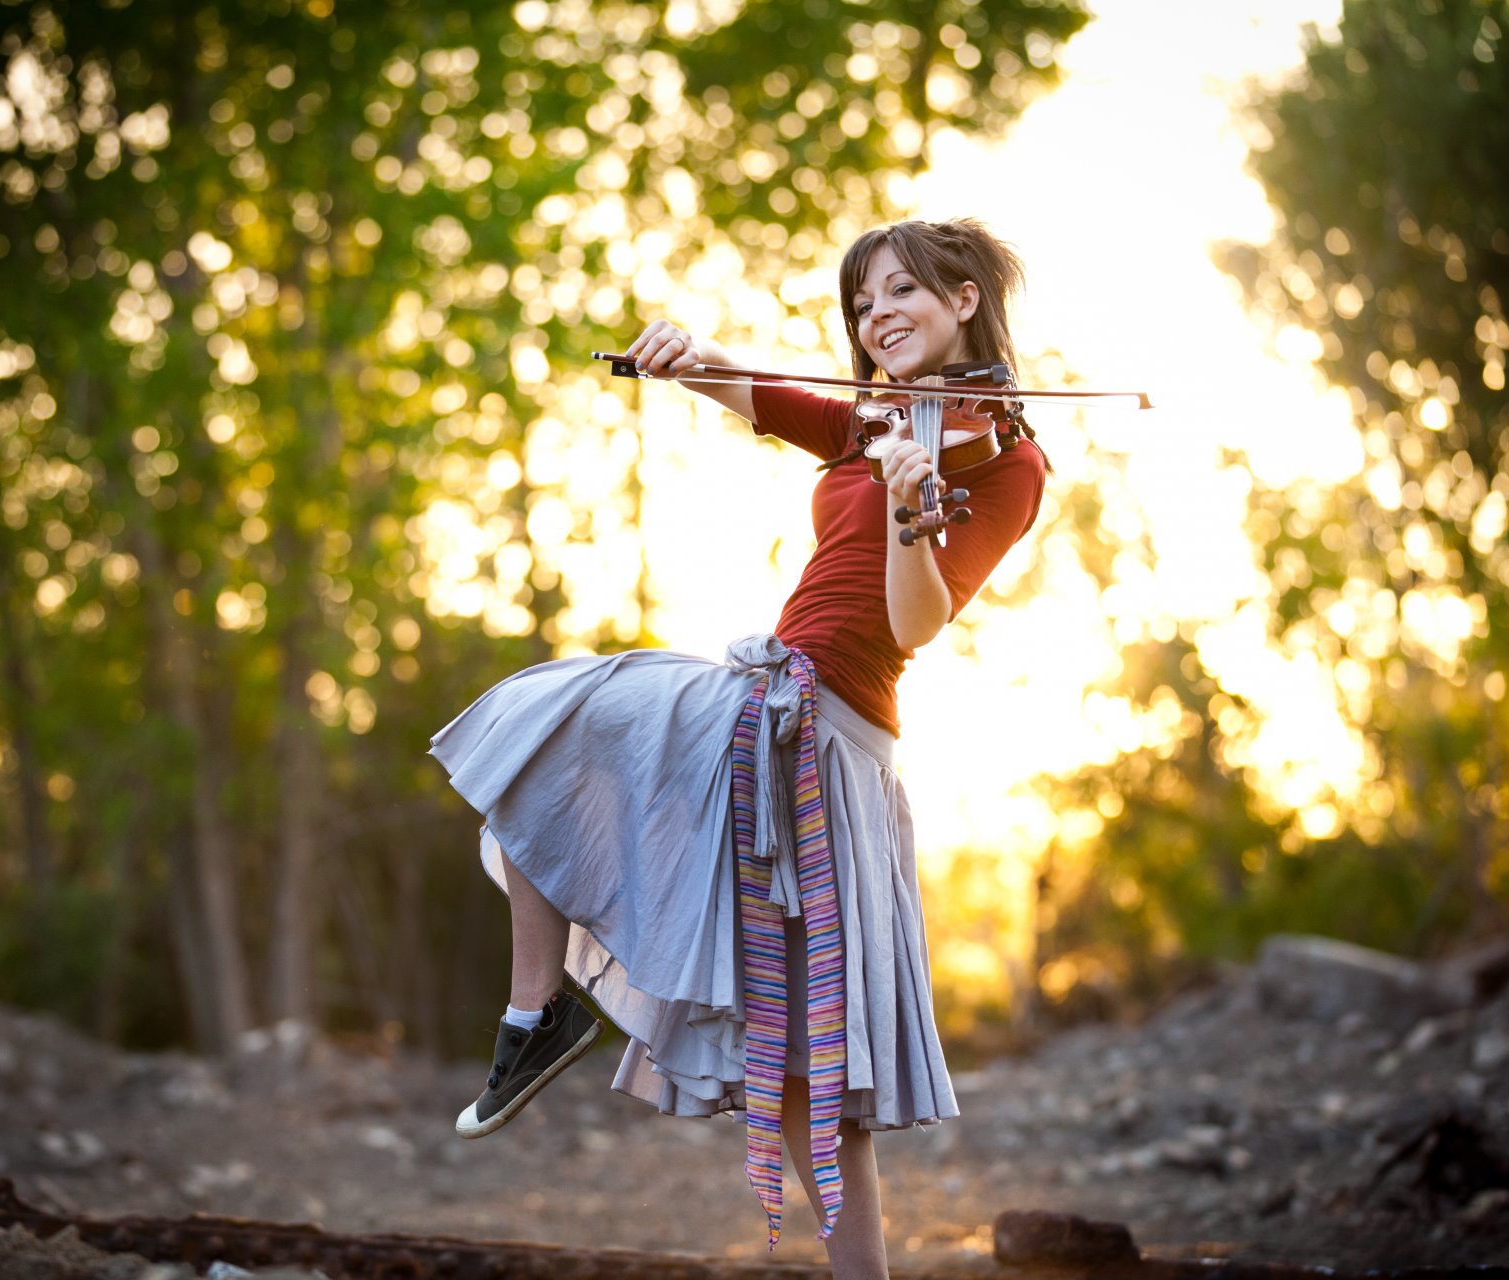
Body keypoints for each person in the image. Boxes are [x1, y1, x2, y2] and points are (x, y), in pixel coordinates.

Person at [429, 217, 1048, 1279]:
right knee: (531, 755)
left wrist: (911, 510)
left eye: (902, 291)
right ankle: (535, 1014)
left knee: (815, 1079)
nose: (876, 316)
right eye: (860, 303)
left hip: (836, 740)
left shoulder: (1007, 460)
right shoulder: (872, 423)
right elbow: (755, 391)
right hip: (761, 709)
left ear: (964, 300)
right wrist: (688, 356)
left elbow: (916, 625)